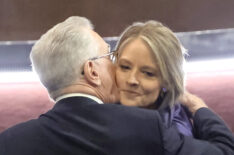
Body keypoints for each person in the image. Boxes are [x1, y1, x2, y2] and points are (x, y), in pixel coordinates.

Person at [0, 16, 233, 155]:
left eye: (148, 72)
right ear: (92, 70)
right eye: (112, 59)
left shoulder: (10, 142)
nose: (131, 79)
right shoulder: (146, 128)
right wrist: (199, 106)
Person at [115, 20, 193, 136]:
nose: (132, 80)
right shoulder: (103, 108)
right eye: (125, 67)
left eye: (148, 73)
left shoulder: (175, 135)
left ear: (168, 81)